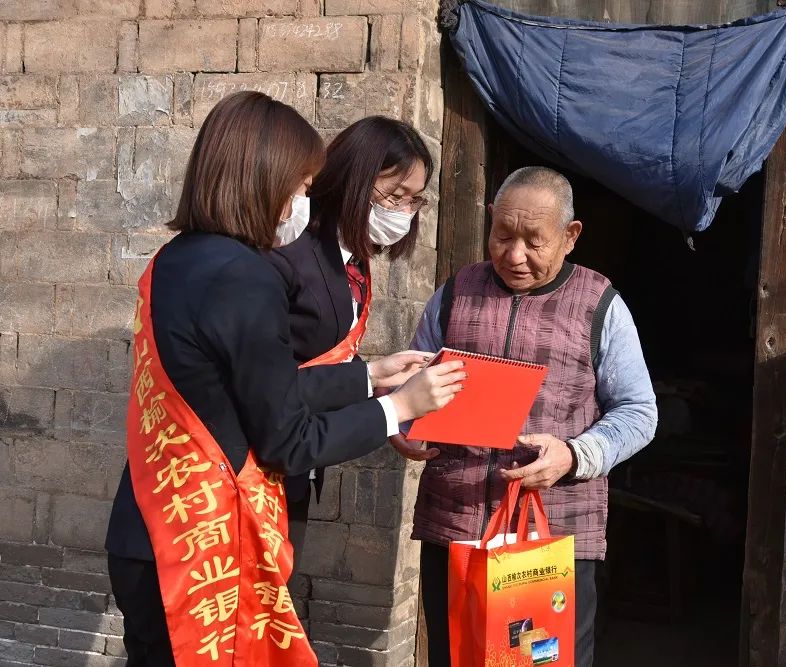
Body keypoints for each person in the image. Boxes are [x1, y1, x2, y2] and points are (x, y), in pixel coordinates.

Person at [104, 92, 464, 666]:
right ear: (260, 178)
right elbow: (287, 437)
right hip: (204, 544)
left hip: (151, 525)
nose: (304, 201)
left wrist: (367, 376)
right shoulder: (248, 276)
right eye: (299, 186)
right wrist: (398, 410)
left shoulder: (176, 259)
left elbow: (251, 388)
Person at [394, 166, 658, 667]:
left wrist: (575, 455)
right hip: (455, 523)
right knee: (456, 656)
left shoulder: (599, 304)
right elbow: (412, 382)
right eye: (503, 235)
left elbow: (639, 411)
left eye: (533, 241)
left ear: (570, 236)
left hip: (555, 532)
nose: (514, 255)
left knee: (541, 660)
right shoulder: (454, 294)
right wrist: (402, 426)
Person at [266, 116, 433, 561]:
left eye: (414, 201)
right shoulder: (290, 254)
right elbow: (271, 380)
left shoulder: (354, 262)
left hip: (301, 459)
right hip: (257, 461)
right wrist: (391, 406)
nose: (402, 212)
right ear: (354, 178)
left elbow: (328, 363)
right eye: (394, 195)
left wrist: (379, 387)